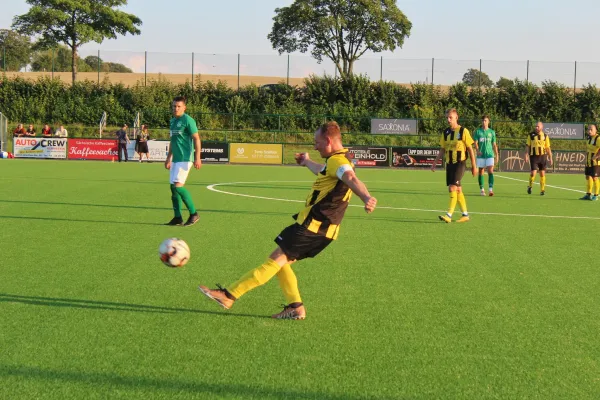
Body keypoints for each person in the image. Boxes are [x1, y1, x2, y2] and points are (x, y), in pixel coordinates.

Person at [198, 121, 378, 320]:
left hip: (314, 225)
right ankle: (296, 308)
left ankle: (229, 295)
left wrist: (366, 197)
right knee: (282, 263)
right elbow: (324, 171)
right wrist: (306, 162)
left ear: (328, 140)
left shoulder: (339, 162)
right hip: (324, 228)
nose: (314, 146)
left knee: (275, 260)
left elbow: (351, 179)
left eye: (317, 142)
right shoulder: (340, 158)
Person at [431, 108, 476, 223]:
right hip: (450, 164)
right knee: (458, 189)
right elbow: (442, 149)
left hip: (460, 163)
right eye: (447, 117)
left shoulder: (463, 131)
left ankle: (449, 215)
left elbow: (470, 149)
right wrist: (435, 163)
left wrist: (474, 166)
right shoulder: (446, 132)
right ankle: (465, 214)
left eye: (450, 117)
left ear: (456, 118)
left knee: (452, 187)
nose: (448, 119)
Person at [164, 96, 201, 227]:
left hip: (185, 158)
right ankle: (177, 217)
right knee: (173, 188)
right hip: (176, 159)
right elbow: (173, 141)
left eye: (179, 106)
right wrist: (169, 158)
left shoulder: (188, 120)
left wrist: (197, 157)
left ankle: (194, 214)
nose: (176, 108)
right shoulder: (173, 121)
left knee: (178, 187)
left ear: (184, 107)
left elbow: (196, 138)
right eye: (174, 106)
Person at [525, 121, 553, 195]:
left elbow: (548, 148)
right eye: (536, 126)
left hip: (542, 157)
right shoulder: (531, 135)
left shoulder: (545, 136)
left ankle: (542, 190)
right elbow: (528, 146)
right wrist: (526, 155)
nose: (536, 127)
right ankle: (530, 186)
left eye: (538, 126)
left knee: (542, 173)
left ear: (541, 127)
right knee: (533, 173)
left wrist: (550, 157)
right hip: (534, 156)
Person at [473, 115, 498, 196]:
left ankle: (490, 190)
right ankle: (482, 189)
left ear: (488, 122)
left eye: (485, 120)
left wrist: (497, 154)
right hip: (481, 155)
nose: (484, 122)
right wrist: (477, 150)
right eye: (483, 120)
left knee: (490, 170)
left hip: (490, 154)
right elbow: (475, 143)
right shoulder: (478, 132)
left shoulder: (492, 132)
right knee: (481, 171)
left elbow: (494, 145)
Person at [581, 124, 600, 200]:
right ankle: (588, 194)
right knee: (588, 176)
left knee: (595, 177)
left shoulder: (598, 138)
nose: (589, 131)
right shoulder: (588, 138)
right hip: (588, 161)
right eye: (588, 129)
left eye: (591, 129)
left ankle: (596, 195)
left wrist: (596, 156)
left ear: (596, 130)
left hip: (595, 162)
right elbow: (588, 149)